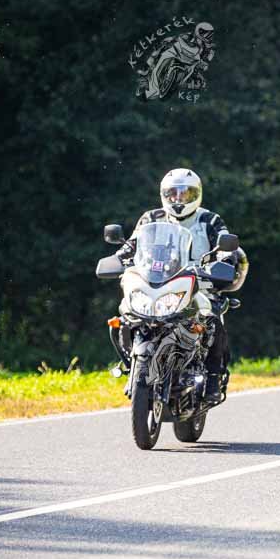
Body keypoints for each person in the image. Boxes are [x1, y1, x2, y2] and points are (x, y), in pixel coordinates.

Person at [119, 168, 248, 402]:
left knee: (212, 318)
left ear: (196, 195)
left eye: (185, 194)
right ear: (164, 195)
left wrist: (224, 261)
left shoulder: (210, 220)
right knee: (126, 314)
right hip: (157, 282)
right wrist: (120, 256)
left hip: (199, 283)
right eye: (173, 194)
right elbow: (131, 245)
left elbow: (226, 248)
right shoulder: (151, 218)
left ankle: (212, 377)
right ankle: (132, 364)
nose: (178, 199)